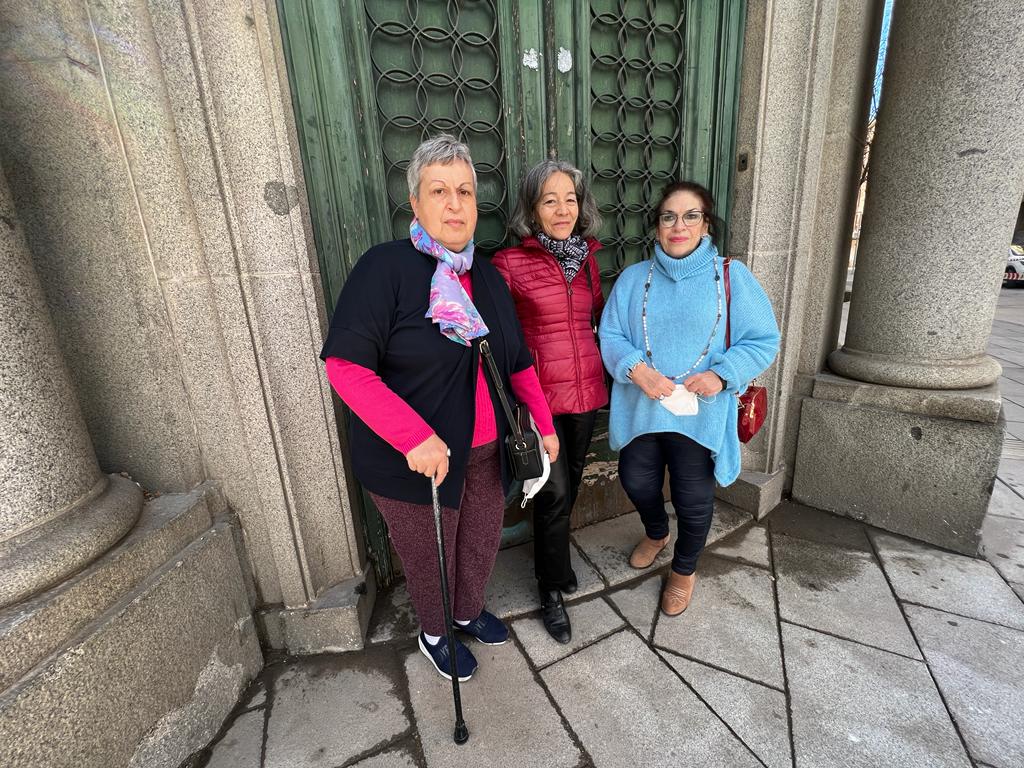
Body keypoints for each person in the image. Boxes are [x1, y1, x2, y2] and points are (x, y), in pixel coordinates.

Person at [320, 135, 559, 681]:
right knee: (430, 558)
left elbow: (518, 362)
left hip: (486, 450)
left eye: (466, 192)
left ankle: (468, 613)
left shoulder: (487, 277)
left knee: (478, 543)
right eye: (440, 191)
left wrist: (543, 428)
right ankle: (434, 632)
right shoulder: (384, 269)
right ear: (416, 203)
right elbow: (346, 366)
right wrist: (414, 437)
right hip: (413, 462)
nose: (455, 204)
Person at [598, 181, 780, 616]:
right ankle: (657, 532)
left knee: (694, 500)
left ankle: (683, 570)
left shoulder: (732, 276)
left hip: (701, 415)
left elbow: (763, 340)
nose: (678, 225)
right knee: (637, 480)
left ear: (706, 223)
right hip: (644, 408)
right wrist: (635, 369)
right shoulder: (632, 280)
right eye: (668, 216)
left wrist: (722, 375)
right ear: (657, 226)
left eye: (690, 215)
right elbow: (610, 334)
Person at [494, 160, 607, 644]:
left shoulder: (588, 262)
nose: (562, 210)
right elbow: (500, 338)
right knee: (554, 491)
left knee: (572, 482)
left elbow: (594, 318)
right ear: (532, 209)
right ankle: (550, 589)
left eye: (570, 199)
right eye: (549, 200)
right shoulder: (509, 263)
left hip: (586, 392)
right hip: (540, 400)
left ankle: (555, 566)